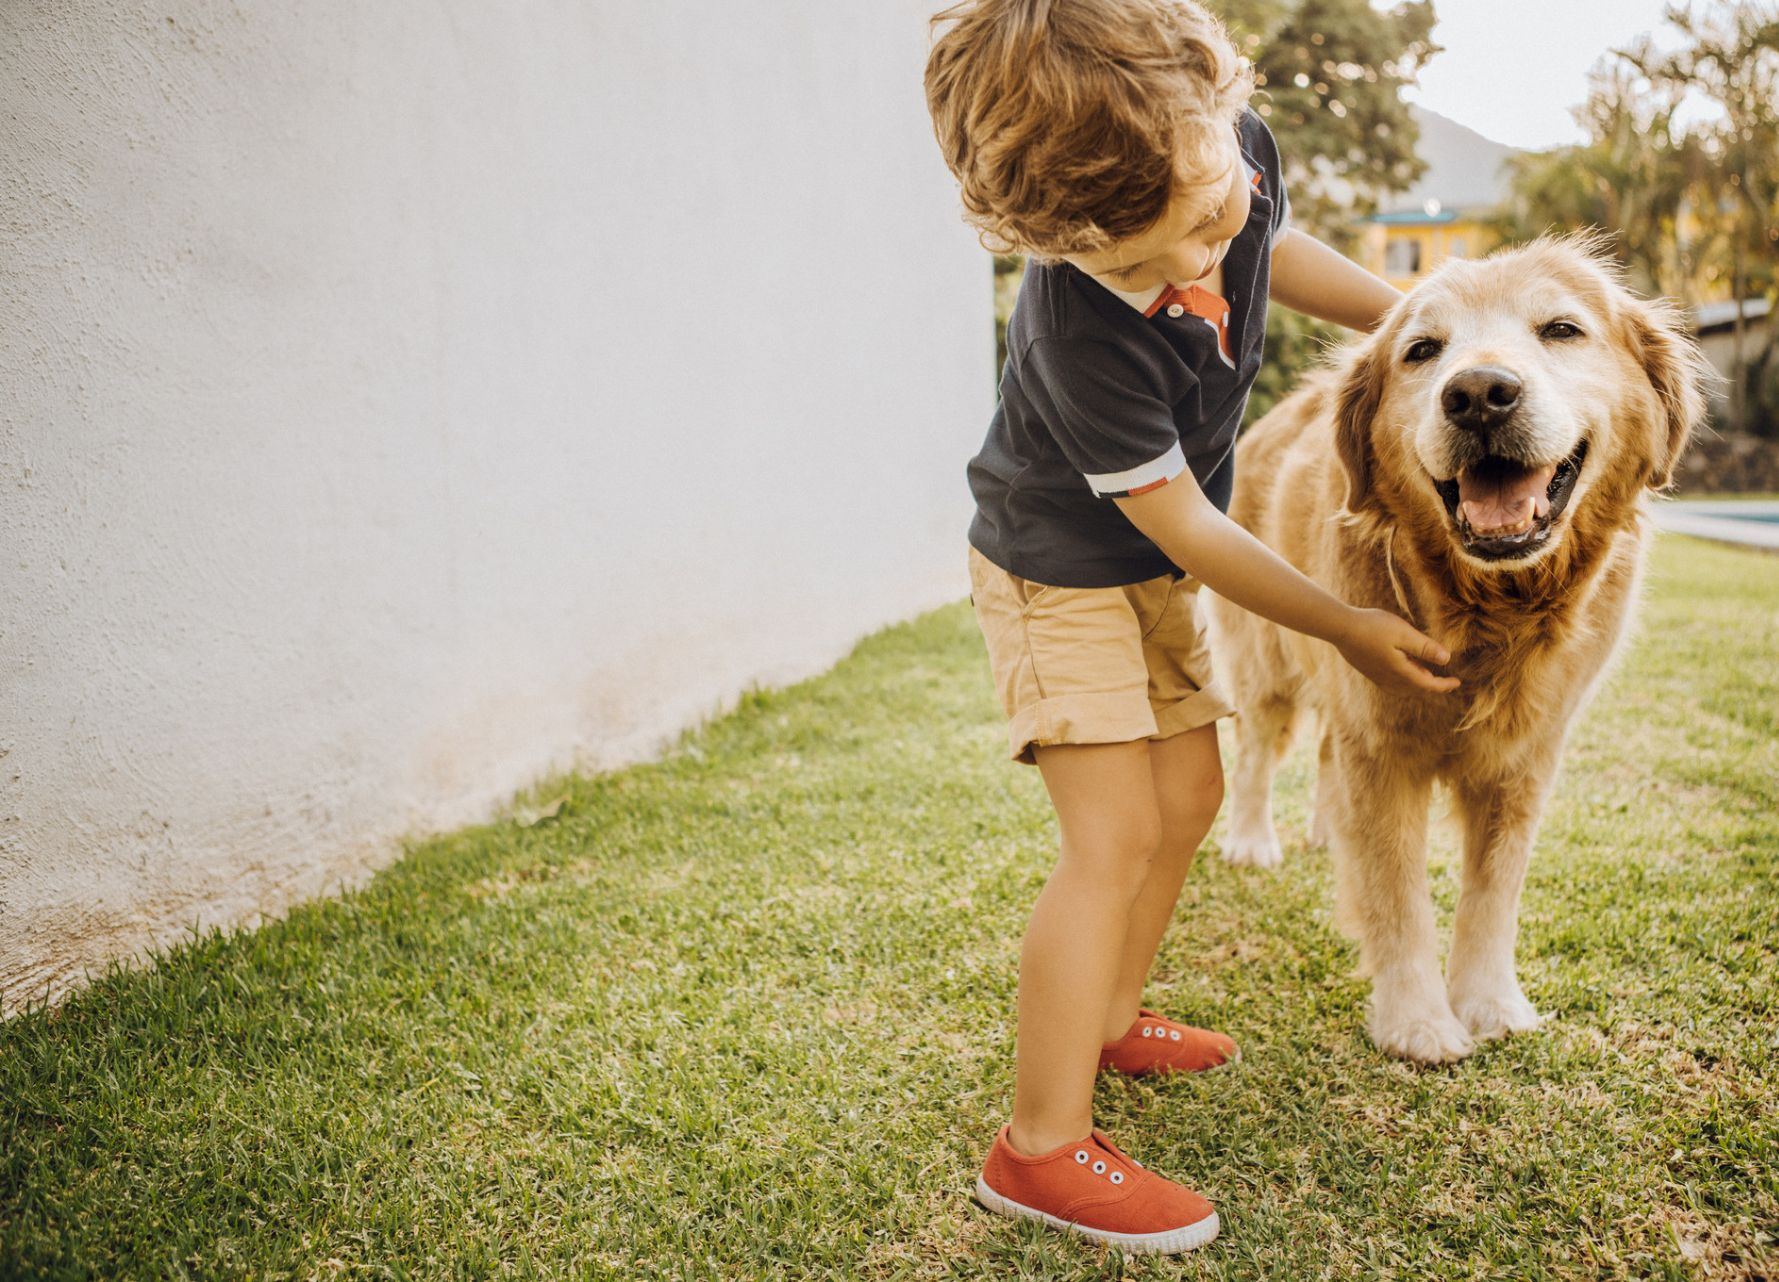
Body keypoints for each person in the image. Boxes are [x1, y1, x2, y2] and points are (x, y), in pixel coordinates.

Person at [923, 0, 1460, 1255]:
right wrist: (1344, 628)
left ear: (1221, 128)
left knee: (1191, 795)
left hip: (1141, 569)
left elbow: (1276, 238)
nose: (1194, 270)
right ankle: (1040, 1146)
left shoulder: (1227, 155)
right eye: (1141, 264)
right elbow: (1197, 537)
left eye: (1210, 222)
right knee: (1110, 835)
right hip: (1062, 573)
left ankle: (1112, 1019)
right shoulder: (1076, 331)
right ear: (1060, 245)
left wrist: (1412, 327)